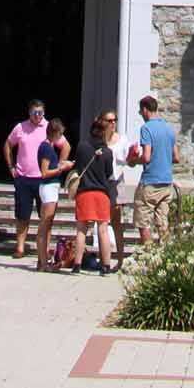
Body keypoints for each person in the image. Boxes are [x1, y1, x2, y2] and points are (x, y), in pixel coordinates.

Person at [68, 113, 118, 275]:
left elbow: (77, 166)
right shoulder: (108, 152)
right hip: (101, 193)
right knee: (102, 230)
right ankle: (106, 266)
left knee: (81, 229)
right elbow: (109, 173)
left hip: (84, 192)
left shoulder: (82, 146)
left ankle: (77, 265)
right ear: (104, 133)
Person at [3, 95, 49, 260]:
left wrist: (58, 167)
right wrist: (11, 167)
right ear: (29, 112)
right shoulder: (20, 127)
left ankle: (44, 248)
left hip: (42, 179)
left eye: (41, 112)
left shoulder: (48, 127)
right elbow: (8, 144)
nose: (38, 115)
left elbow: (64, 145)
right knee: (22, 215)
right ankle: (20, 247)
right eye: (34, 112)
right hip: (23, 177)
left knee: (45, 216)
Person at [134, 93, 179, 245]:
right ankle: (165, 256)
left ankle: (148, 256)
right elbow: (176, 157)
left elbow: (146, 157)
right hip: (166, 182)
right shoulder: (168, 129)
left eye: (141, 112)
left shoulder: (146, 129)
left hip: (150, 182)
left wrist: (133, 159)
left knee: (143, 222)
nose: (141, 115)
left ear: (145, 110)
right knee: (162, 223)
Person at [35, 117, 73, 271]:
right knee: (45, 224)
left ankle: (43, 260)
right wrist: (61, 169)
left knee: (47, 225)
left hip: (51, 187)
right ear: (55, 132)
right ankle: (43, 263)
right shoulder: (46, 148)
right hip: (48, 187)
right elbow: (44, 172)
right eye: (60, 134)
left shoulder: (49, 147)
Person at [101, 107, 133, 267]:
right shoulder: (99, 140)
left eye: (115, 120)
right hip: (101, 182)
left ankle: (120, 259)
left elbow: (129, 160)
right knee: (101, 223)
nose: (113, 123)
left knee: (116, 222)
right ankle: (104, 258)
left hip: (116, 181)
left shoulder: (122, 140)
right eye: (109, 120)